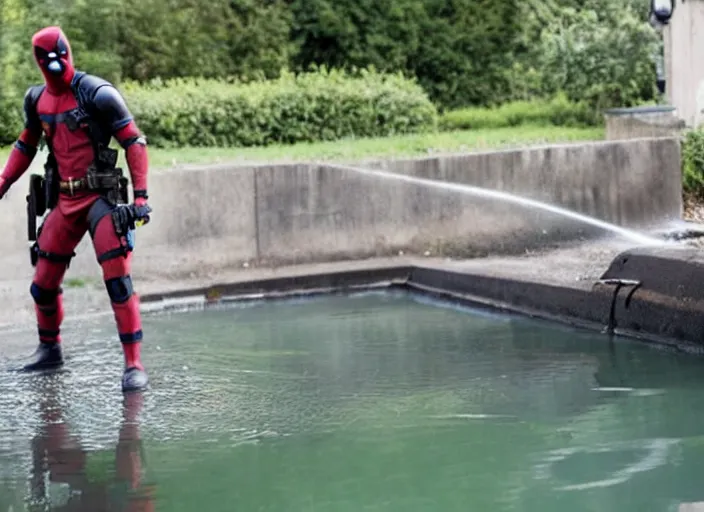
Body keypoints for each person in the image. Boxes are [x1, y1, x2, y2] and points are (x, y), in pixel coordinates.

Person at [0, 26, 152, 393]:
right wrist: (3, 181)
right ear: (38, 61)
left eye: (61, 55)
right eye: (47, 59)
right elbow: (26, 144)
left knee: (118, 280)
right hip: (64, 201)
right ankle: (50, 350)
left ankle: (134, 364)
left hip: (100, 198)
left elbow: (133, 140)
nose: (56, 64)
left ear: (69, 51)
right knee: (43, 285)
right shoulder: (37, 100)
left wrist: (141, 198)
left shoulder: (97, 94)